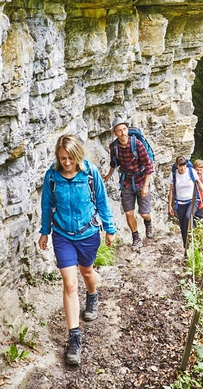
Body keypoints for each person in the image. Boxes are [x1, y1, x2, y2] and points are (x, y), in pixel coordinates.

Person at [39, 134, 116, 367]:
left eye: (70, 158)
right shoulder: (52, 177)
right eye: (63, 158)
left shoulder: (90, 174)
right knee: (70, 284)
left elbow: (102, 202)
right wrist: (44, 231)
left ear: (78, 156)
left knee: (87, 272)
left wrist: (109, 228)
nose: (67, 163)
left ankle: (92, 294)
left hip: (88, 234)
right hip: (62, 234)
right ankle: (74, 338)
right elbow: (46, 204)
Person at [102, 118, 154, 249]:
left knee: (144, 213)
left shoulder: (137, 144)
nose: (123, 133)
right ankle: (136, 237)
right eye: (119, 131)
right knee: (129, 212)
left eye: (124, 129)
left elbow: (149, 166)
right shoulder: (114, 147)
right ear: (115, 133)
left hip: (141, 180)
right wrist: (108, 175)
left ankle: (148, 222)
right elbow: (114, 163)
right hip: (126, 182)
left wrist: (146, 186)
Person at [168, 156, 203, 249]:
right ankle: (186, 246)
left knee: (188, 217)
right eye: (180, 166)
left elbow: (199, 182)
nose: (183, 168)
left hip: (193, 201)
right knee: (183, 226)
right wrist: (170, 206)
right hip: (180, 203)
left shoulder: (191, 171)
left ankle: (192, 240)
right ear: (177, 166)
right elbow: (171, 191)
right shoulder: (174, 174)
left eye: (184, 165)